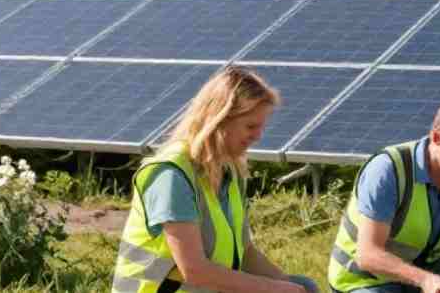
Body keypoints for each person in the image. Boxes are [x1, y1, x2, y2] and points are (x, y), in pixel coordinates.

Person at [111, 65, 319, 293]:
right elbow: (194, 271)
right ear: (219, 120)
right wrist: (271, 288)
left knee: (304, 285)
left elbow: (246, 252)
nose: (258, 136)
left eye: (261, 126)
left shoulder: (230, 172)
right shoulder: (172, 175)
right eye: (250, 126)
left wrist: (291, 287)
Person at [328, 97, 440, 293]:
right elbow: (368, 255)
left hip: (419, 275)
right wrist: (425, 279)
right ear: (436, 137)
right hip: (364, 281)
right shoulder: (388, 170)